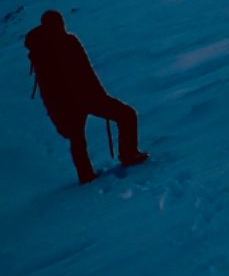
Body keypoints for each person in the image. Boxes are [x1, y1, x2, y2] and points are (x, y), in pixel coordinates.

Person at [25, 10, 149, 184]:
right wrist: (99, 95)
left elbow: (51, 87)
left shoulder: (45, 51)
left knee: (79, 140)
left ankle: (87, 176)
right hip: (85, 98)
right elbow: (85, 72)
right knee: (126, 115)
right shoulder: (63, 44)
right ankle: (127, 155)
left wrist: (57, 110)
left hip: (70, 104)